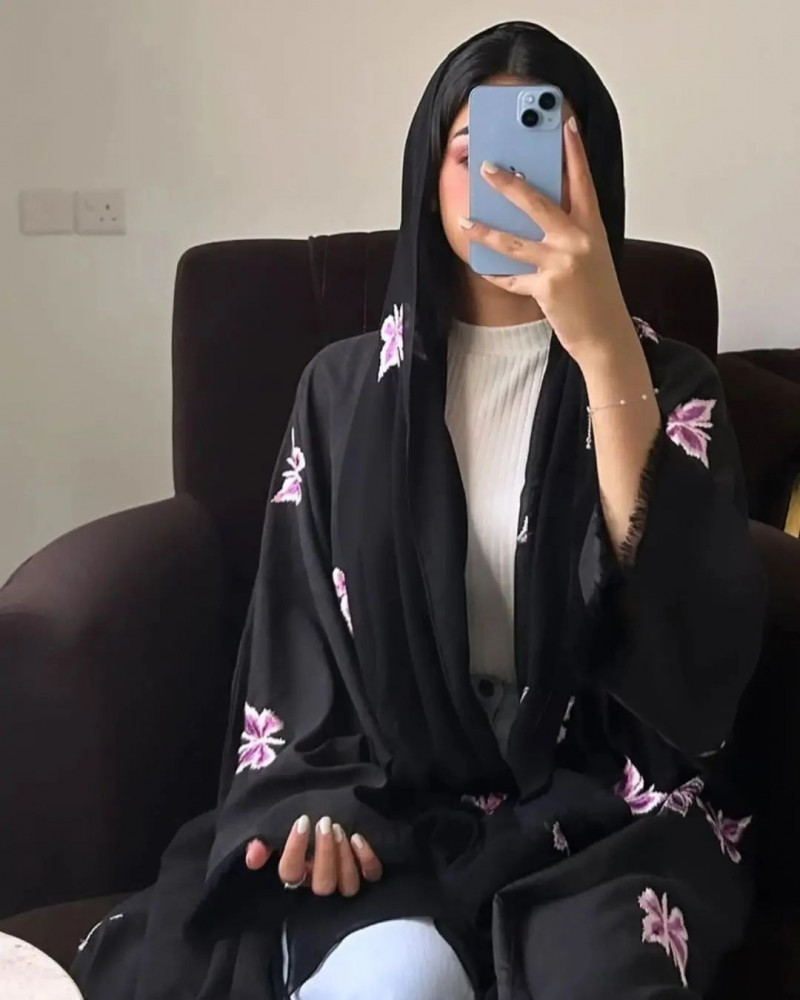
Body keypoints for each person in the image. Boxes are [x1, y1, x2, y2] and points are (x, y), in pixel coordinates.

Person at [72, 19, 765, 1000]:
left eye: (542, 152)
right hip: (389, 810)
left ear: (596, 179)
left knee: (604, 973)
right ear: (425, 176)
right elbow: (298, 650)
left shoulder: (672, 384)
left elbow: (690, 664)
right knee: (393, 978)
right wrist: (312, 806)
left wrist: (606, 349)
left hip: (609, 819)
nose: (508, 181)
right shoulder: (343, 393)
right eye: (472, 154)